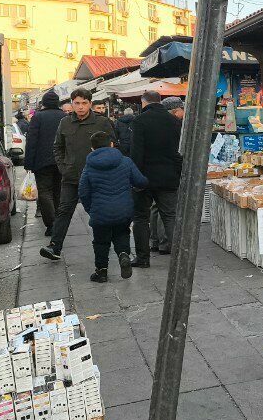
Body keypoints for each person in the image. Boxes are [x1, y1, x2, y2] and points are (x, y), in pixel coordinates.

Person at [41, 88, 116, 261]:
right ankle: (54, 246)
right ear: (72, 104)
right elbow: (58, 147)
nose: (80, 107)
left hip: (96, 177)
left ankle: (107, 244)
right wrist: (63, 167)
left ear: (90, 104)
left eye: (84, 103)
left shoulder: (102, 122)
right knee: (64, 210)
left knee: (99, 212)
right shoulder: (65, 122)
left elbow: (113, 146)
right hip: (71, 176)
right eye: (77, 103)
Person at [78, 132, 148, 283]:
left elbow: (83, 192)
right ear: (111, 144)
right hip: (123, 209)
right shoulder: (125, 161)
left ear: (92, 148)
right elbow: (141, 181)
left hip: (100, 211)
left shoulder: (89, 167)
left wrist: (91, 209)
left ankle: (101, 272)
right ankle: (123, 255)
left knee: (100, 242)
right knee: (121, 233)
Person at [130, 90, 182, 267]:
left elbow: (136, 153)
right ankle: (179, 258)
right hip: (168, 177)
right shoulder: (174, 121)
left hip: (144, 178)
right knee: (170, 216)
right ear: (160, 101)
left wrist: (135, 177)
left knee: (140, 218)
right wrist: (177, 173)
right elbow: (178, 152)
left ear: (143, 102)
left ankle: (143, 258)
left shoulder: (139, 121)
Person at [24, 90, 65, 236]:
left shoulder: (38, 117)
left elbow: (32, 141)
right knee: (58, 191)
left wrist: (28, 163)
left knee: (45, 192)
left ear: (44, 103)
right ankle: (59, 223)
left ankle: (51, 224)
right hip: (61, 161)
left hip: (42, 162)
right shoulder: (64, 116)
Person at [149, 97, 185, 253]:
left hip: (153, 171)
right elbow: (175, 152)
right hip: (168, 172)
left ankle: (154, 241)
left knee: (156, 207)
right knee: (168, 210)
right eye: (182, 109)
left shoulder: (155, 123)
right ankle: (165, 243)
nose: (183, 113)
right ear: (176, 110)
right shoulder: (173, 125)